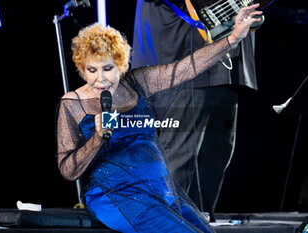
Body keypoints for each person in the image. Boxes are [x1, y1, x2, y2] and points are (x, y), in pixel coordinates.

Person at [56, 5, 261, 233]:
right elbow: (68, 170)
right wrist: (96, 139)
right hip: (116, 196)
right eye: (91, 70)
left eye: (108, 69)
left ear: (120, 65)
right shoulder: (72, 103)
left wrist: (233, 38)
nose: (100, 79)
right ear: (82, 70)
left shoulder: (136, 83)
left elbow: (187, 68)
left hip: (160, 191)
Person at [132, 0, 259, 221]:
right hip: (184, 43)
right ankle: (164, 223)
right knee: (181, 154)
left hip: (228, 49)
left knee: (216, 152)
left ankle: (198, 221)